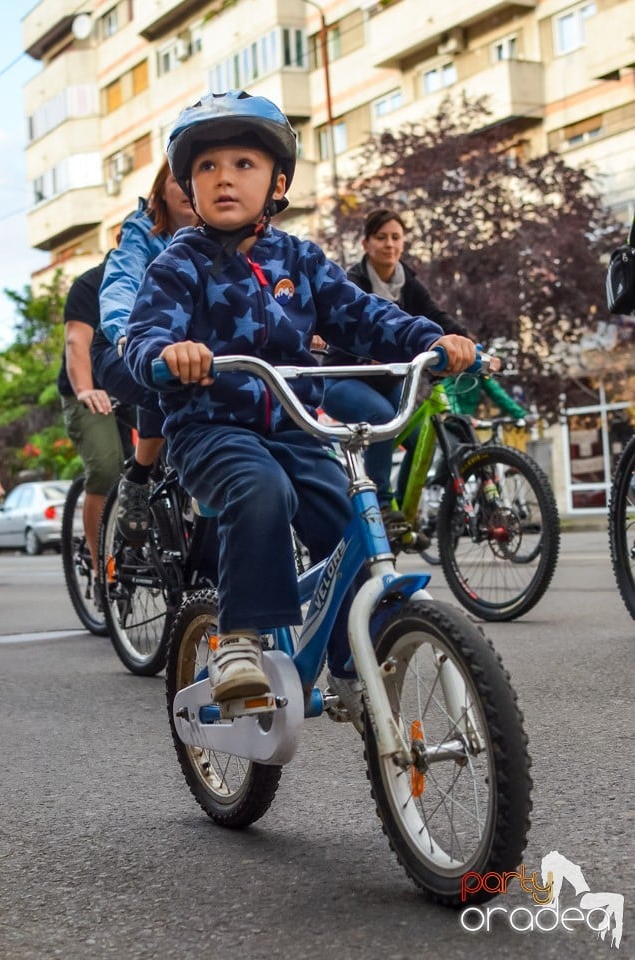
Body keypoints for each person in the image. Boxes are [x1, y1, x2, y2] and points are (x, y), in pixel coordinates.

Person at [124, 89, 476, 716]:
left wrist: (433, 339)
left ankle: (349, 657)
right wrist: (168, 352)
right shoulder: (182, 262)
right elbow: (144, 333)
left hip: (295, 423)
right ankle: (239, 642)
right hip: (211, 429)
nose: (223, 178)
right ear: (189, 185)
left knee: (346, 515)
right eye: (206, 167)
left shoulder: (300, 259)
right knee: (262, 490)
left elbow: (364, 316)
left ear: (277, 181)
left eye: (242, 165)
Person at [322, 207, 471, 537]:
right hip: (341, 378)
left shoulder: (408, 282)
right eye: (381, 238)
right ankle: (383, 506)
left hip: (387, 379)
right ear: (366, 243)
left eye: (396, 237)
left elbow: (438, 317)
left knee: (422, 437)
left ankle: (406, 510)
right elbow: (342, 330)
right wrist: (366, 358)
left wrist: (468, 345)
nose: (389, 244)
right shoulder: (354, 282)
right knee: (383, 415)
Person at [92, 157, 199, 540]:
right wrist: (125, 332)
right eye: (177, 180)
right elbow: (122, 279)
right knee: (164, 383)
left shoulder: (219, 235)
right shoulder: (140, 233)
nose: (187, 189)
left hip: (189, 351)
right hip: (120, 347)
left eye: (193, 179)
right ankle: (137, 480)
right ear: (160, 192)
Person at [57, 255, 132, 598]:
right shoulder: (90, 284)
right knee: (106, 467)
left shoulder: (167, 271)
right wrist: (86, 388)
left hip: (133, 386)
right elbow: (76, 343)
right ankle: (103, 565)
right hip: (86, 389)